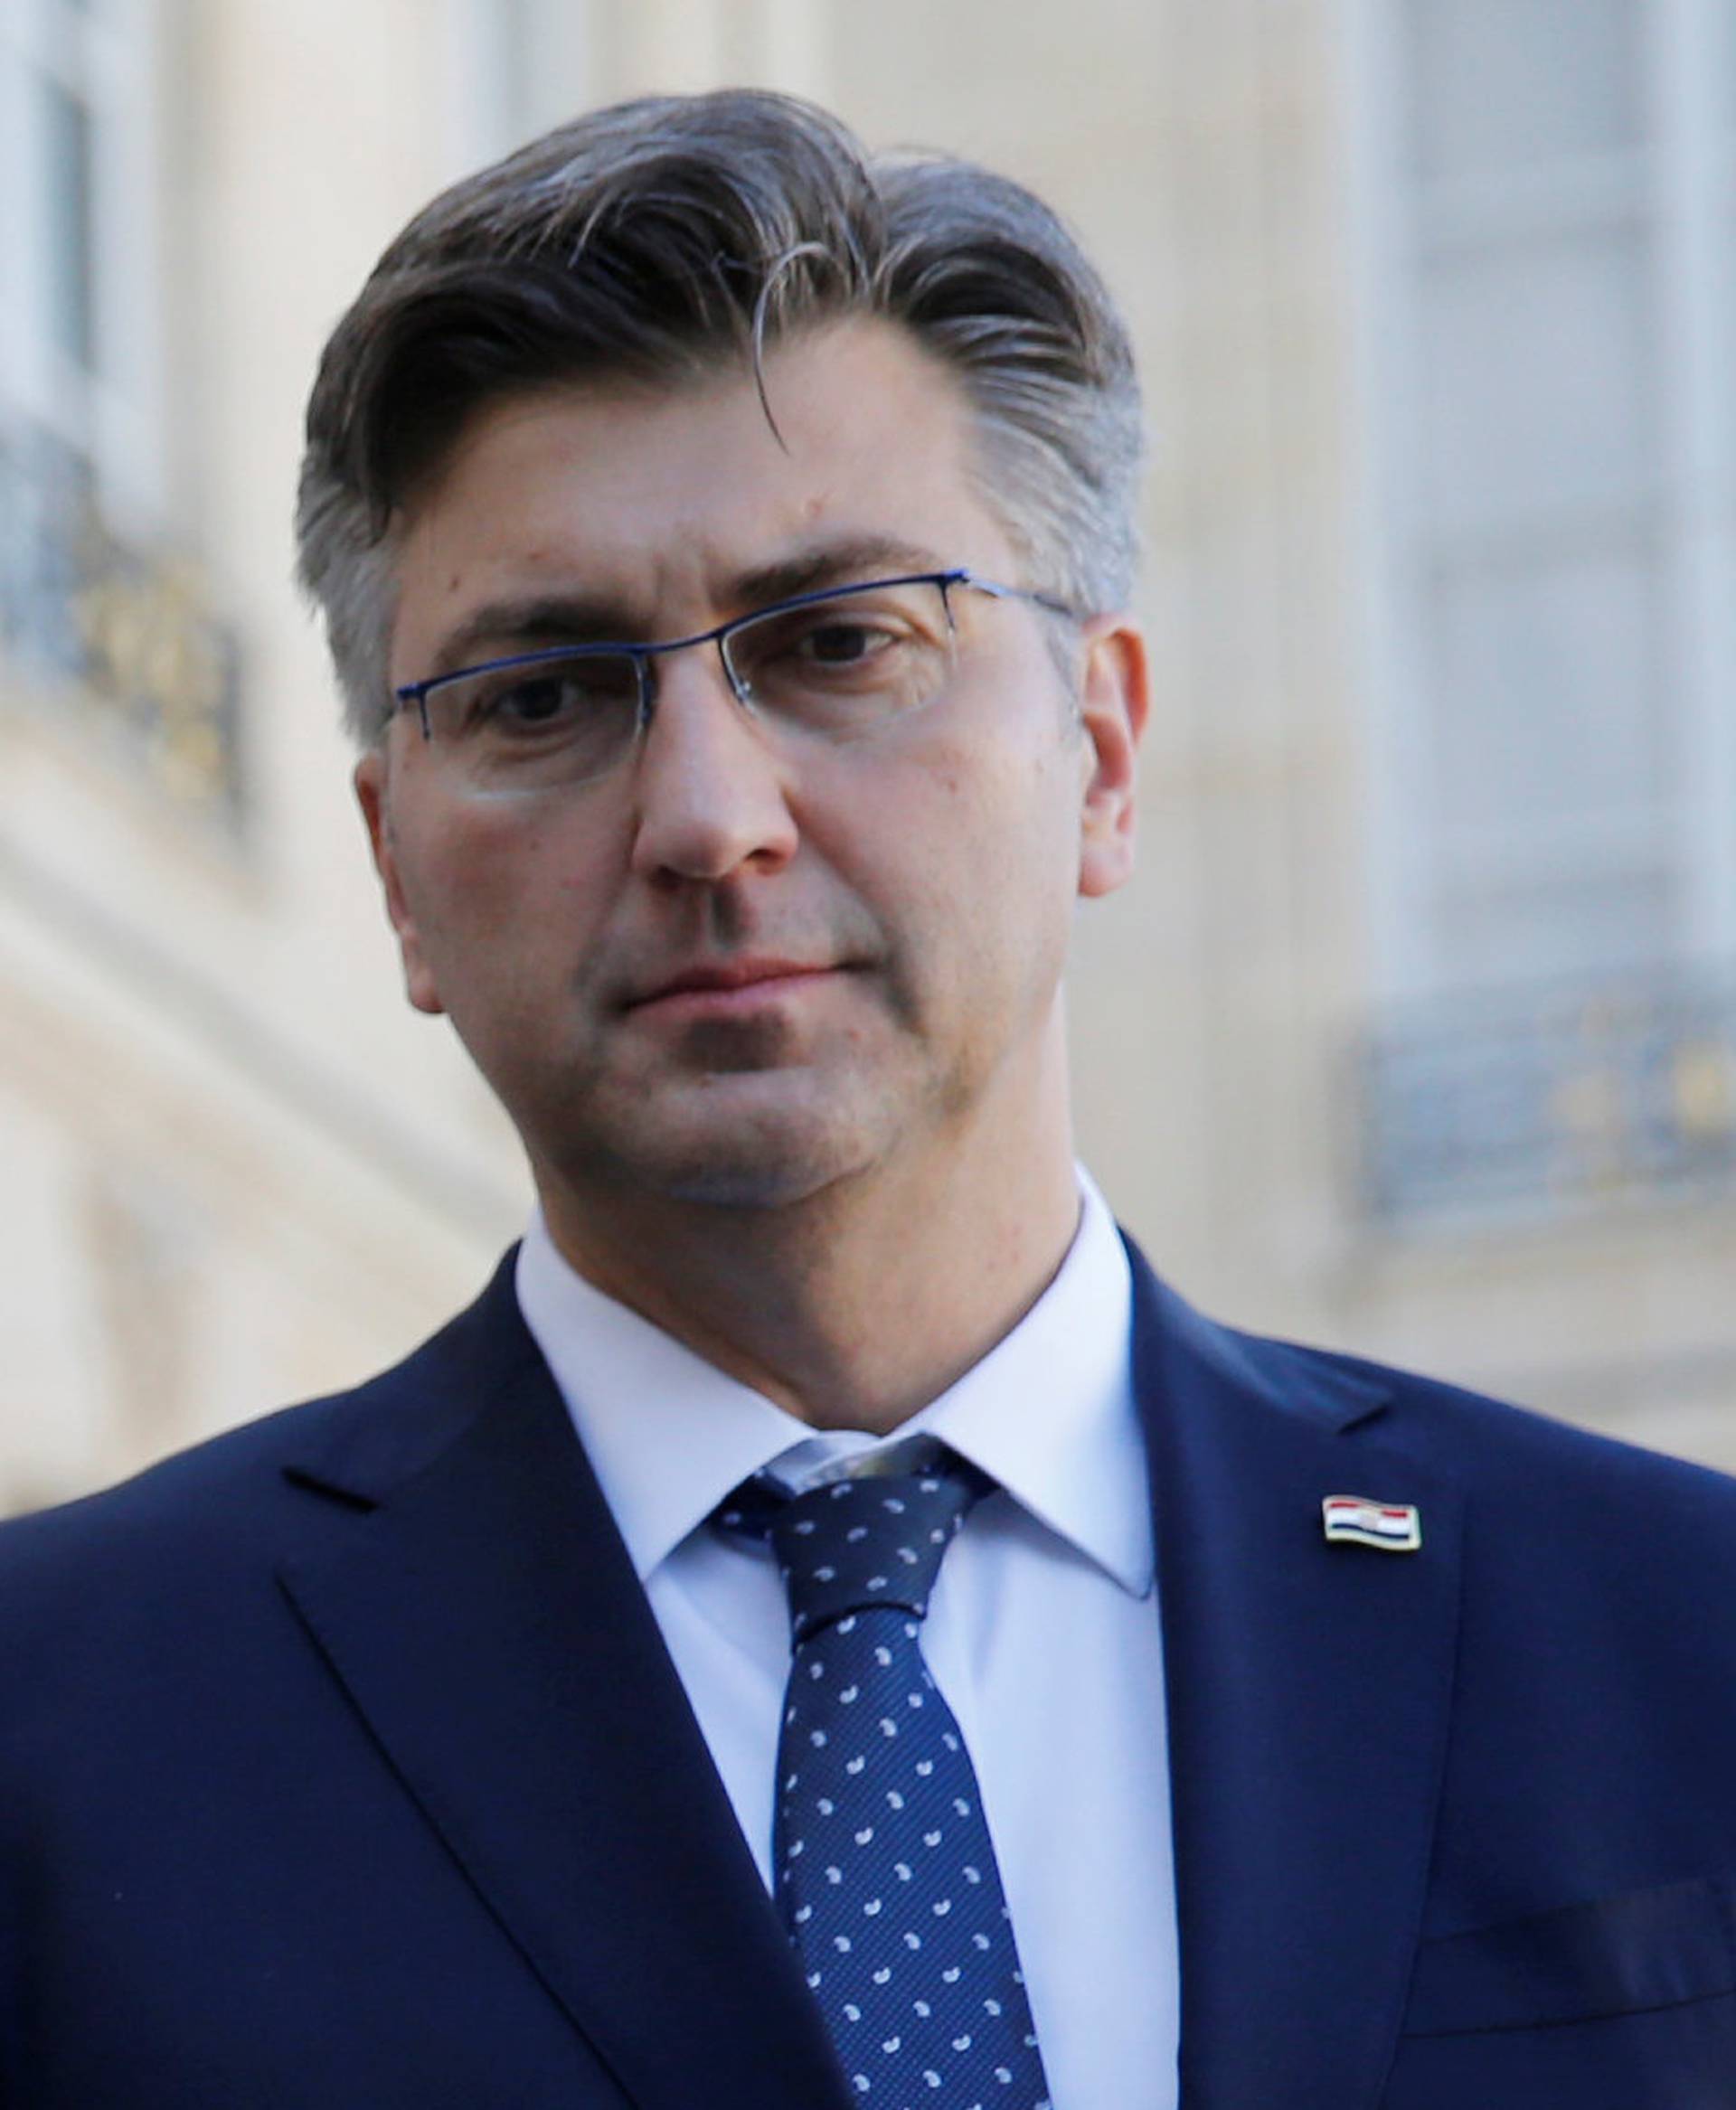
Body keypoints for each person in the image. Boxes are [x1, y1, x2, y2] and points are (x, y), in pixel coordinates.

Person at [3, 88, 1735, 2110]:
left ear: (1097, 753)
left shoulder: (1675, 1653)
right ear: (393, 868)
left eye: (840, 644)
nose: (709, 820)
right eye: (542, 695)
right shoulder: (62, 1738)